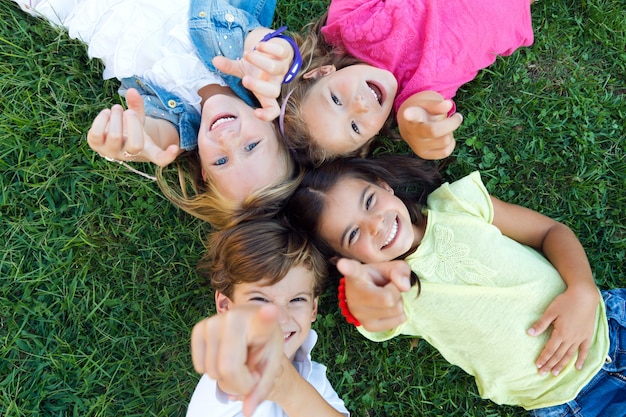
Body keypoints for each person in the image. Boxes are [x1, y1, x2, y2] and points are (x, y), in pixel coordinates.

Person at [284, 154, 625, 415]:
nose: (375, 225)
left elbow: (550, 232)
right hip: (567, 401)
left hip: (609, 324)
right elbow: (366, 311)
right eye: (353, 234)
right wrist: (358, 292)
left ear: (383, 184)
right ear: (343, 259)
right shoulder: (392, 296)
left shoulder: (458, 203)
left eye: (370, 201)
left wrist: (582, 290)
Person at [13, 0, 300, 229]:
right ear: (275, 127)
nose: (228, 140)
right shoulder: (246, 64)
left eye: (221, 161)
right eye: (251, 146)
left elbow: (151, 140)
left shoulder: (177, 128)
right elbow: (262, 41)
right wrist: (279, 55)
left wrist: (127, 145)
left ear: (203, 167)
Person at [279, 0, 534, 165]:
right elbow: (425, 109)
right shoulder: (413, 99)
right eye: (355, 127)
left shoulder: (347, 21)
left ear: (322, 72)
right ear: (371, 137)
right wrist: (418, 129)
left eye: (336, 100)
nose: (358, 106)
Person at [188, 218, 349, 416]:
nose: (281, 318)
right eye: (260, 300)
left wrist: (292, 389)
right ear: (225, 306)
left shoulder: (313, 377)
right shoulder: (230, 369)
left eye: (297, 299)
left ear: (313, 309)